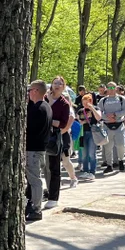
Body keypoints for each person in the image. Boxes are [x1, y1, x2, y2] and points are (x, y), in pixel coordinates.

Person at [44, 77, 73, 208]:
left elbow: (63, 123)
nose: (57, 85)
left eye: (60, 84)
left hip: (54, 138)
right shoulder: (44, 98)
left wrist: (50, 119)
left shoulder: (64, 103)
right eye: (55, 83)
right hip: (41, 135)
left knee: (54, 167)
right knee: (41, 167)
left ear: (63, 87)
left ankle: (53, 197)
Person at [26, 81, 51, 222]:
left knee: (35, 180)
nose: (28, 93)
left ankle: (36, 208)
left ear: (35, 91)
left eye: (30, 90)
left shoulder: (38, 109)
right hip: (39, 149)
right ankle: (32, 204)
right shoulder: (46, 106)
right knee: (33, 179)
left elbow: (29, 127)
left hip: (33, 149)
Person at [98, 82, 125, 173]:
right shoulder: (103, 100)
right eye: (109, 87)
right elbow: (99, 112)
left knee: (120, 145)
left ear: (116, 88)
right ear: (107, 89)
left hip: (119, 125)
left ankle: (120, 160)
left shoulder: (121, 99)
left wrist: (116, 115)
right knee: (108, 147)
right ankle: (109, 165)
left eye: (113, 87)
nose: (111, 89)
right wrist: (107, 116)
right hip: (107, 126)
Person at [76, 93, 100, 180]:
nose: (85, 105)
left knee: (91, 153)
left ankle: (92, 171)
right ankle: (85, 171)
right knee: (84, 154)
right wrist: (80, 122)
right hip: (83, 133)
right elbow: (77, 119)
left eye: (87, 103)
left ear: (91, 101)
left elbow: (99, 117)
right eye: (83, 103)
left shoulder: (96, 109)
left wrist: (92, 108)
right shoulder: (81, 111)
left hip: (93, 133)